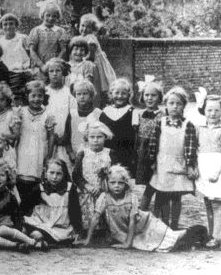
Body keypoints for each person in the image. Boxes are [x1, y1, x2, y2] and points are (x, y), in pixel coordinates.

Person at [79, 165, 201, 252]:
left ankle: (193, 231)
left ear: (126, 184)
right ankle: (188, 237)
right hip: (123, 230)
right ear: (107, 183)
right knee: (152, 245)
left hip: (145, 225)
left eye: (120, 183)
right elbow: (95, 218)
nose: (116, 186)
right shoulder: (104, 197)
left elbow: (132, 221)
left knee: (169, 239)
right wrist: (88, 239)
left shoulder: (131, 197)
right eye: (112, 182)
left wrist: (128, 243)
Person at [149, 86, 197, 230]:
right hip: (162, 164)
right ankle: (164, 226)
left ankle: (174, 225)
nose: (175, 107)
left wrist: (190, 165)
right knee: (163, 195)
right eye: (171, 103)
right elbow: (153, 143)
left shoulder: (188, 125)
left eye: (178, 104)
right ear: (165, 105)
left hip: (179, 165)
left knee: (176, 196)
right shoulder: (160, 122)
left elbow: (190, 148)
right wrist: (152, 161)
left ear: (184, 106)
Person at [23, 158, 83, 247]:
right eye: (51, 173)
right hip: (42, 223)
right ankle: (38, 241)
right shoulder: (39, 188)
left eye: (59, 174)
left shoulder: (70, 188)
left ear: (64, 174)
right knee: (31, 232)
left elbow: (75, 210)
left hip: (60, 226)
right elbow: (26, 207)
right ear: (46, 172)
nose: (54, 177)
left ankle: (41, 242)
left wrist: (78, 230)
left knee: (39, 235)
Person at [72, 120, 116, 230]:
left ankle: (105, 231)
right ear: (87, 138)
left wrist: (103, 186)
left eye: (99, 137)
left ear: (105, 137)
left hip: (105, 190)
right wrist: (87, 186)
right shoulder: (82, 153)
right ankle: (87, 232)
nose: (95, 140)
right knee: (86, 215)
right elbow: (76, 175)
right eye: (92, 137)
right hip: (86, 191)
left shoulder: (110, 153)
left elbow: (115, 174)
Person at [15, 81, 56, 198]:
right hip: (23, 150)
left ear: (44, 96)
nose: (36, 99)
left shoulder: (48, 114)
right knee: (22, 180)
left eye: (40, 96)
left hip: (39, 150)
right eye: (33, 96)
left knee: (36, 182)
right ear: (27, 96)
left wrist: (49, 156)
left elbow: (51, 136)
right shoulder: (21, 112)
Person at [134, 78, 164, 211]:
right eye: (147, 95)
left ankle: (152, 210)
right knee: (149, 182)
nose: (150, 98)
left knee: (157, 181)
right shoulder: (139, 114)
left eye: (153, 95)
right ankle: (142, 210)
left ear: (159, 97)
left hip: (157, 151)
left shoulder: (163, 114)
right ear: (142, 96)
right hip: (143, 151)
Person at [196, 94, 221, 248]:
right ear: (204, 111)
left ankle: (218, 236)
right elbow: (197, 150)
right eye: (209, 110)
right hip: (204, 169)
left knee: (218, 204)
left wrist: (217, 172)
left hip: (217, 171)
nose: (212, 114)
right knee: (208, 203)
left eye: (217, 111)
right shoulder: (200, 128)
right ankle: (211, 233)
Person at [99, 78, 138, 176]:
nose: (120, 96)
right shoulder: (105, 112)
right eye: (117, 93)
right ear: (111, 93)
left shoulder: (132, 112)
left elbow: (136, 136)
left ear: (129, 95)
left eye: (123, 93)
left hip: (126, 155)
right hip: (107, 155)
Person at [64, 80, 102, 170]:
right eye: (78, 94)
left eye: (85, 94)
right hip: (75, 158)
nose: (82, 97)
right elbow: (66, 137)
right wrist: (71, 154)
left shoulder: (99, 114)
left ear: (91, 96)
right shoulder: (72, 114)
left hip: (95, 158)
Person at [79, 13, 116, 104]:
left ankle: (98, 102)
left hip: (96, 65)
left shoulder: (90, 39)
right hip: (93, 63)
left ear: (92, 29)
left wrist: (83, 60)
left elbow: (91, 57)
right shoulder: (83, 37)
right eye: (82, 25)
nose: (84, 29)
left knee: (97, 84)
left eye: (87, 27)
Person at [45, 58, 76, 167]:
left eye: (58, 71)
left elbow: (73, 115)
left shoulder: (69, 93)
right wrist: (51, 136)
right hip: (47, 139)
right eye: (51, 71)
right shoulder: (44, 92)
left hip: (65, 140)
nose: (54, 74)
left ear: (63, 73)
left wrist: (65, 136)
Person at [28, 0, 68, 79]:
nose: (51, 18)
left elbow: (63, 50)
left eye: (54, 16)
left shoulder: (60, 31)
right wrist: (42, 66)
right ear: (43, 15)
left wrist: (54, 64)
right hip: (40, 66)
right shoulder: (36, 30)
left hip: (55, 67)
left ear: (57, 17)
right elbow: (32, 50)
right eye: (48, 15)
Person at [0, 13, 31, 105]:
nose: (8, 26)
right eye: (5, 24)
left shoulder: (22, 38)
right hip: (7, 73)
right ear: (1, 26)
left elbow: (29, 53)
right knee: (9, 95)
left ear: (16, 25)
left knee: (22, 95)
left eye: (11, 23)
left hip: (22, 71)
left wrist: (27, 67)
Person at [67, 36, 100, 106]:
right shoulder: (66, 66)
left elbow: (87, 85)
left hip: (83, 98)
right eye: (75, 49)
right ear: (70, 51)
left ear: (85, 52)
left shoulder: (88, 65)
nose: (78, 52)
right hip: (68, 99)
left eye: (82, 50)